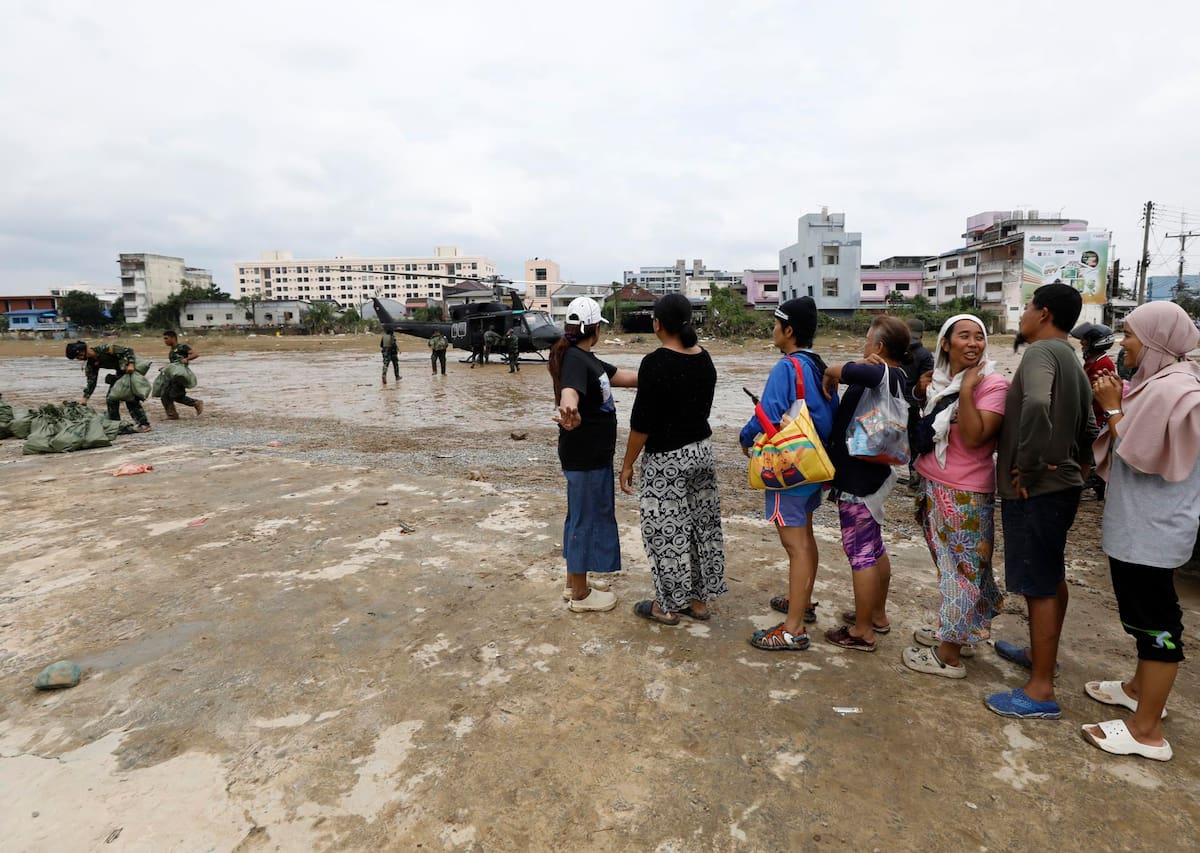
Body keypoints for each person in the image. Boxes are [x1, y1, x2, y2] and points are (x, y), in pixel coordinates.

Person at [1082, 301, 1200, 762]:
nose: (1123, 343)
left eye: (1129, 333)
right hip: (1141, 528)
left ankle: (1146, 730)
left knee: (1158, 626)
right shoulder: (1160, 383)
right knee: (1142, 617)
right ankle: (1137, 690)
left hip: (1153, 531)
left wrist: (1112, 409)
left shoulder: (1180, 392)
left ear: (1156, 340)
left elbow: (1141, 453)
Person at [985, 283, 1097, 720]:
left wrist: (1028, 466)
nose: (1024, 315)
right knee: (1052, 574)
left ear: (1044, 313)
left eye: (1028, 307)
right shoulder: (1072, 356)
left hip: (1036, 489)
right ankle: (1039, 656)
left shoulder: (1039, 353)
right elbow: (1088, 424)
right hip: (1062, 485)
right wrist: (1078, 466)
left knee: (1038, 583)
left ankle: (1040, 691)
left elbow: (1034, 404)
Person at [901, 315, 1008, 678]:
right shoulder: (939, 382)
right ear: (945, 343)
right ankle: (957, 631)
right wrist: (923, 391)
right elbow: (925, 427)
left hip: (965, 492)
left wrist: (967, 390)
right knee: (951, 569)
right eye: (964, 336)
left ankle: (949, 655)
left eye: (979, 337)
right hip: (934, 484)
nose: (974, 343)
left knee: (962, 573)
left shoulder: (992, 384)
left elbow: (978, 437)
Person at [619, 294, 726, 625]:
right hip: (702, 452)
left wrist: (627, 464)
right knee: (700, 527)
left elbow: (642, 424)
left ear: (658, 324)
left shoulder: (655, 362)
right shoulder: (704, 358)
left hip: (668, 460)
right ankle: (697, 601)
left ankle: (665, 605)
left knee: (664, 532)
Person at [738, 297, 837, 651]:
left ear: (789, 331)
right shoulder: (816, 366)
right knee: (806, 539)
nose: (773, 330)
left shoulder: (787, 367)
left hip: (789, 469)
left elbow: (769, 410)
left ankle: (793, 628)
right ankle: (803, 603)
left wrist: (745, 436)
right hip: (813, 465)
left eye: (776, 324)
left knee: (794, 547)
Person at [820, 316, 911, 653]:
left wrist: (834, 370)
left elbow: (843, 371)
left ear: (880, 347)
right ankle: (876, 615)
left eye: (867, 339)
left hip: (859, 477)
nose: (864, 345)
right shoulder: (899, 376)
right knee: (874, 547)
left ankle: (862, 632)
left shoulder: (878, 372)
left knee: (860, 554)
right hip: (877, 471)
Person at [550, 297, 638, 613]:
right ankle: (581, 595)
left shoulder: (589, 360)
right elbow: (570, 392)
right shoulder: (575, 359)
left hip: (590, 455)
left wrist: (660, 374)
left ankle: (574, 582)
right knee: (584, 520)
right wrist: (569, 408)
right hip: (585, 455)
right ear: (596, 328)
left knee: (580, 516)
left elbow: (625, 377)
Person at [1071, 322, 1119, 499]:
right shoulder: (1092, 361)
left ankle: (1089, 480)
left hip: (1098, 418)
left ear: (1095, 342)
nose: (1082, 343)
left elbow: (1093, 393)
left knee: (1086, 448)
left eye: (1085, 340)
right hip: (1090, 414)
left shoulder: (1103, 364)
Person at [65, 340, 152, 432]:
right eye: (77, 357)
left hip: (131, 370)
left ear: (83, 350)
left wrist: (131, 364)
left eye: (79, 355)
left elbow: (128, 350)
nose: (79, 358)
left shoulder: (106, 349)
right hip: (121, 374)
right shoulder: (91, 364)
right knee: (111, 399)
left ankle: (144, 424)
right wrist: (85, 398)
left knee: (130, 398)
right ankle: (115, 425)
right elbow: (92, 382)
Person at [902, 318, 935, 490]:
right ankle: (914, 482)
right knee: (915, 444)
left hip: (892, 404)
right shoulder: (925, 355)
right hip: (912, 405)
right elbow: (927, 385)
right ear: (921, 336)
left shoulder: (896, 350)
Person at [159, 329, 203, 419]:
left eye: (166, 338)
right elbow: (174, 363)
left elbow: (195, 354)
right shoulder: (172, 350)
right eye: (164, 339)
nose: (165, 341)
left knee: (176, 395)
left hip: (180, 375)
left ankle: (195, 403)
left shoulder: (182, 347)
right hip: (172, 375)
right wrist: (165, 368)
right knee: (164, 394)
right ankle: (172, 415)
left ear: (173, 338)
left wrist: (187, 359)